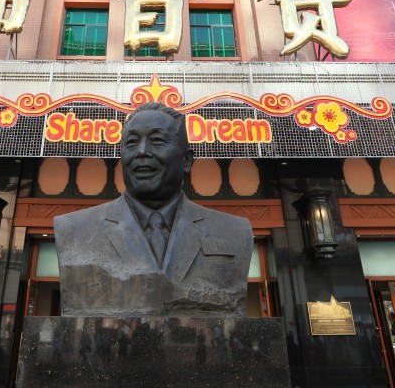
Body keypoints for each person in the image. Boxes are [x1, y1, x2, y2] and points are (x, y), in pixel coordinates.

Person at [55, 102, 253, 316]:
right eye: (131, 142)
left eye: (157, 141)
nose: (141, 151)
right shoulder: (73, 230)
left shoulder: (234, 231)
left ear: (186, 160)